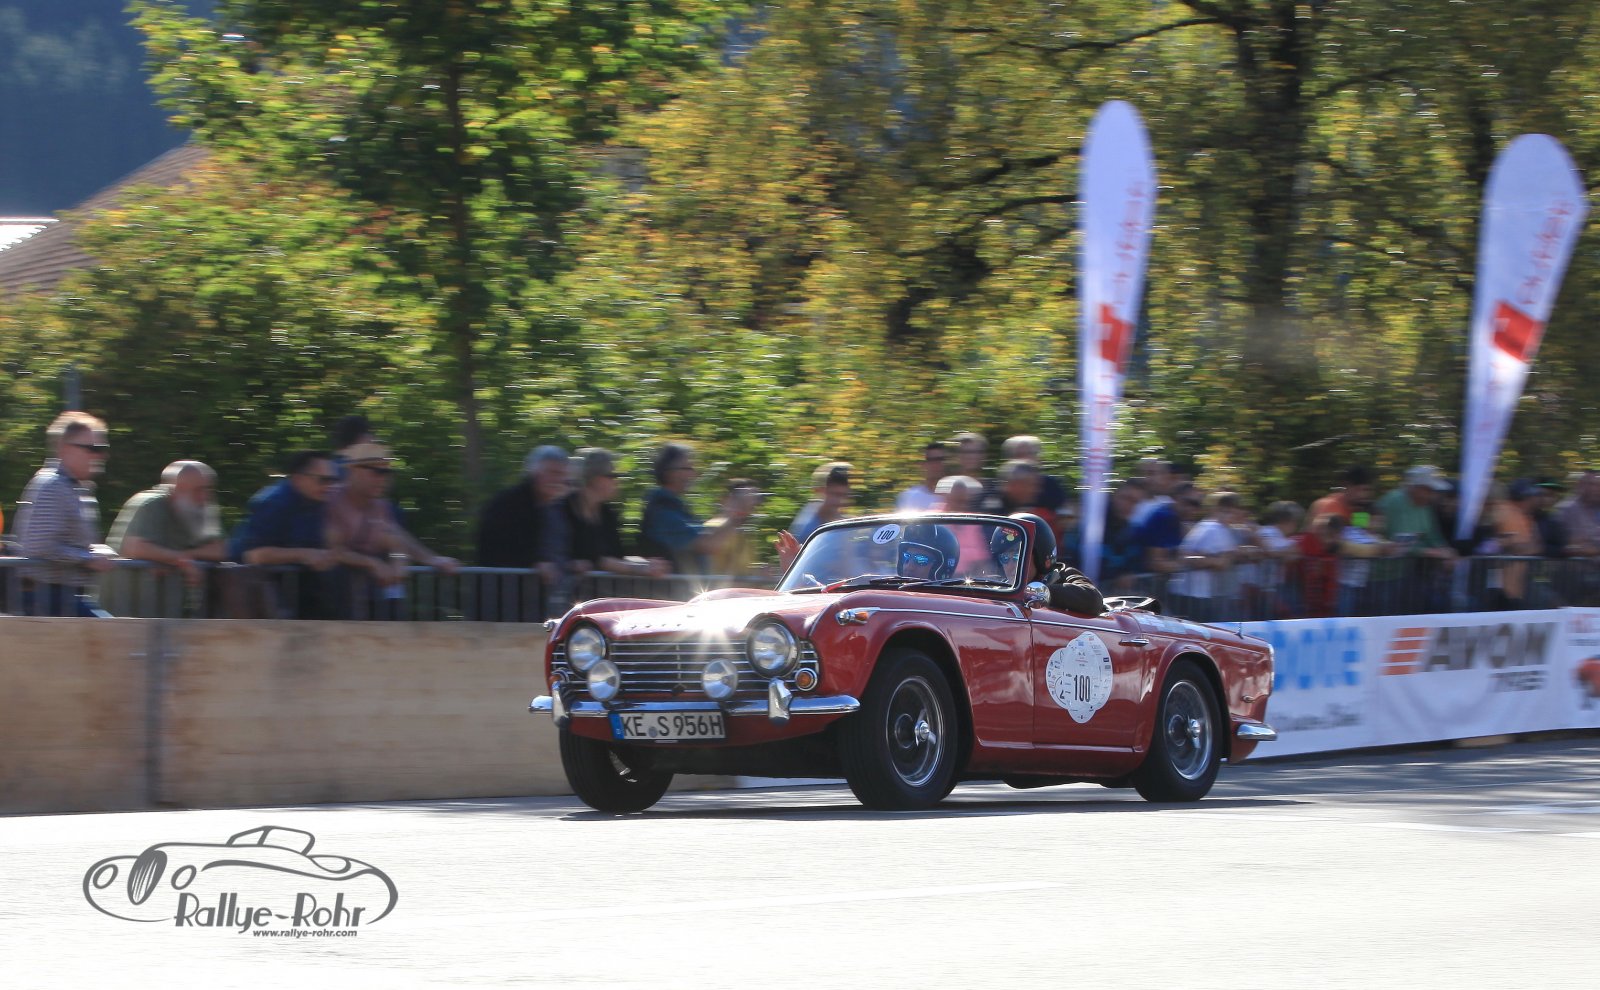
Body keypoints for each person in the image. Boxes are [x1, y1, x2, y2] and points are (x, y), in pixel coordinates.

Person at [325, 443, 458, 617]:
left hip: (364, 601)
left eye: (388, 472)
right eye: (378, 472)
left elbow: (396, 539)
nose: (384, 479)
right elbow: (334, 550)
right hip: (325, 602)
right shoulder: (331, 500)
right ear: (354, 471)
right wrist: (372, 563)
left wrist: (430, 560)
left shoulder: (380, 506)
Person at [14, 410, 118, 616]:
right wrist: (88, 558)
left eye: (103, 449)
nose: (101, 455)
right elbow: (40, 547)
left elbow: (66, 542)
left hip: (62, 598)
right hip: (46, 600)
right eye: (92, 449)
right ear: (64, 448)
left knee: (113, 631)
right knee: (114, 634)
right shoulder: (53, 485)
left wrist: (95, 550)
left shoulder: (77, 488)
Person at [102, 460, 229, 616]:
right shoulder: (150, 504)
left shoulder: (202, 508)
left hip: (165, 614)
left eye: (208, 489)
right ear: (177, 489)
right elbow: (134, 547)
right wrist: (180, 561)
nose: (204, 496)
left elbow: (220, 549)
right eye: (198, 490)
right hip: (125, 611)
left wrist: (182, 558)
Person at [231, 450, 341, 618]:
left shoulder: (319, 503)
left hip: (299, 595)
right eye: (323, 480)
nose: (329, 486)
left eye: (333, 480)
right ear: (298, 478)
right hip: (259, 598)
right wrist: (304, 555)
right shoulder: (274, 503)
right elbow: (253, 555)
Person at [638, 442, 754, 573]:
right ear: (669, 472)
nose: (694, 474)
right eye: (688, 468)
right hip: (670, 586)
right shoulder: (662, 512)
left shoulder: (675, 507)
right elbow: (708, 544)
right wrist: (737, 514)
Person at [566, 448, 671, 578]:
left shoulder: (608, 514)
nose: (618, 481)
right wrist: (641, 568)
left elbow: (616, 558)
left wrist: (646, 563)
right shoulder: (567, 509)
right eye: (613, 475)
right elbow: (597, 560)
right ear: (596, 478)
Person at [476, 446, 572, 585]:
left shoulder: (558, 508)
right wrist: (534, 562)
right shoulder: (507, 503)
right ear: (534, 473)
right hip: (504, 588)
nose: (557, 479)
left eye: (562, 474)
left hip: (546, 591)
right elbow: (497, 546)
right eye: (552, 472)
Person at [1012, 511, 1104, 615]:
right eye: (1004, 558)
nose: (1010, 566)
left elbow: (1093, 599)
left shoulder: (1061, 574)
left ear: (1040, 558)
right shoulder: (1000, 585)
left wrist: (1040, 593)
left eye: (1016, 557)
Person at [703, 479, 763, 577]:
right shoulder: (713, 528)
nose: (747, 507)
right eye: (742, 501)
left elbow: (741, 572)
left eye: (752, 504)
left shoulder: (742, 532)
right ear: (725, 500)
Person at [790, 461, 852, 542]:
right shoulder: (807, 529)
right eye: (835, 494)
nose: (840, 501)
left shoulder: (845, 522)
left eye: (844, 495)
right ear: (820, 491)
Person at [1309, 465, 1376, 525]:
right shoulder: (1329, 506)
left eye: (1368, 490)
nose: (1364, 495)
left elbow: (1359, 531)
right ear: (1347, 486)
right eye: (1361, 489)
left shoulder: (1360, 509)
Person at [896, 442, 948, 513]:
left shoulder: (955, 497)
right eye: (932, 460)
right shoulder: (909, 497)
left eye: (941, 459)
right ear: (923, 464)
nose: (937, 464)